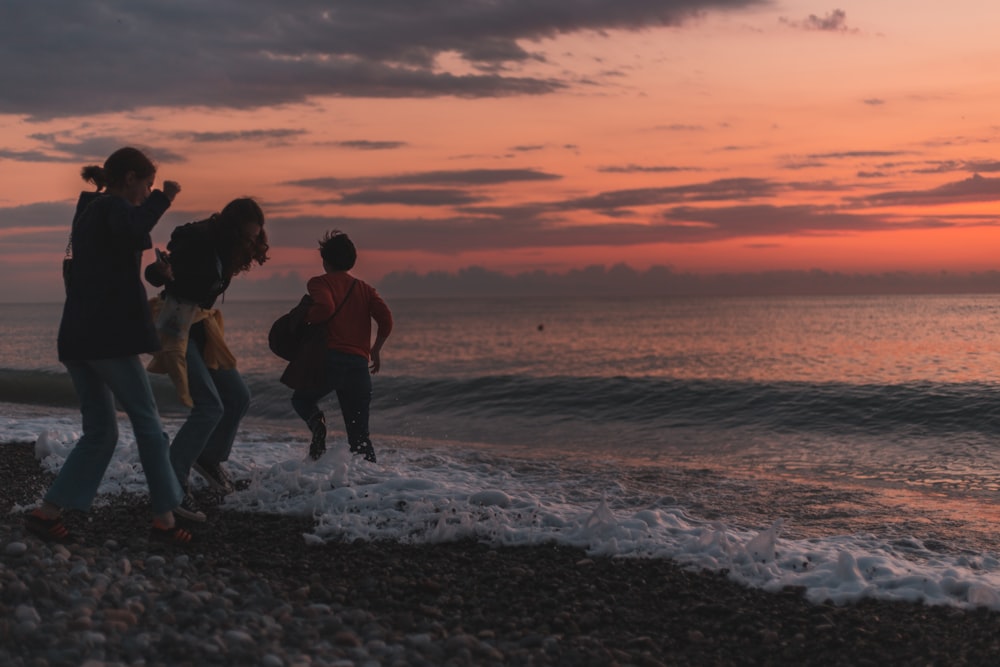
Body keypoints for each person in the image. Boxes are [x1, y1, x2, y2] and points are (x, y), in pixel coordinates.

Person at [26, 147, 193, 545]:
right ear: (131, 178)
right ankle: (165, 518)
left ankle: (46, 513)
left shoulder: (91, 211)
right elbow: (135, 230)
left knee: (101, 432)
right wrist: (164, 198)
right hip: (107, 337)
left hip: (79, 337)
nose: (147, 192)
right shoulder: (112, 207)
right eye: (146, 185)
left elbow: (116, 255)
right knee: (148, 424)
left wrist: (155, 270)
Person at [144, 198, 269, 520]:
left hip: (200, 326)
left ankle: (209, 458)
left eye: (256, 237)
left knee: (237, 397)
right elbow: (158, 274)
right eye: (248, 236)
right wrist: (159, 272)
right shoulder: (196, 239)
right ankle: (171, 484)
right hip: (174, 324)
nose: (252, 243)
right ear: (231, 229)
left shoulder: (228, 249)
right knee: (209, 407)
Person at [291, 230, 393, 462]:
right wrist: (375, 349)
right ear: (352, 261)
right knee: (360, 438)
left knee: (301, 400)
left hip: (330, 361)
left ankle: (317, 424)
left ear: (325, 261)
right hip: (358, 366)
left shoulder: (319, 282)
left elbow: (325, 308)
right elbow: (386, 319)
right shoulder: (366, 289)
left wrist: (306, 317)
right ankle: (370, 488)